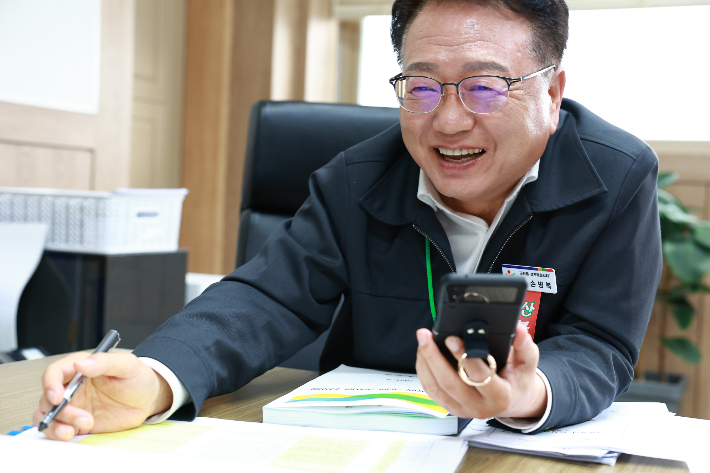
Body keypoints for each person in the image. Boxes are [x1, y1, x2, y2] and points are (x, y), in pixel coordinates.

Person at [35, 0, 662, 441]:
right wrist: (155, 378)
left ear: (551, 95)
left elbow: (599, 342)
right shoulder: (358, 176)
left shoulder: (615, 176)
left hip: (517, 453)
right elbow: (266, 298)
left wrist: (528, 393)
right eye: (421, 85)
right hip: (363, 449)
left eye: (485, 86)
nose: (446, 121)